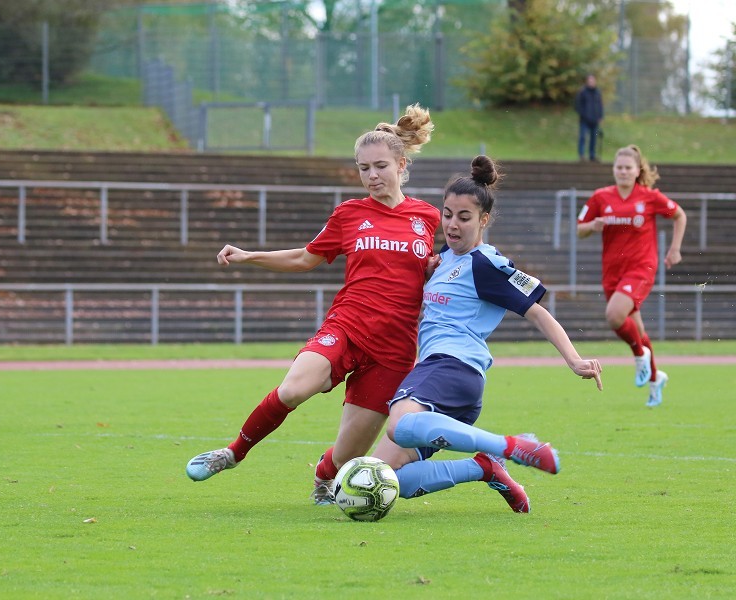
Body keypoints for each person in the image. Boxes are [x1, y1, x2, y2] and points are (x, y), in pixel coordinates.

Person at [185, 104, 442, 504]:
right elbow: (306, 258)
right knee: (293, 389)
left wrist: (433, 269)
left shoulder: (427, 217)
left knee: (346, 457)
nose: (371, 176)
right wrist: (251, 255)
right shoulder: (350, 214)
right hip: (348, 326)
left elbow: (438, 267)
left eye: (380, 166)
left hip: (394, 348)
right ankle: (232, 452)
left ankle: (324, 476)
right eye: (363, 168)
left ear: (401, 164)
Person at [369, 155, 603, 513]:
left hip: (450, 367)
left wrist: (573, 359)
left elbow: (538, 311)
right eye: (447, 214)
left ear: (484, 220)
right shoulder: (446, 258)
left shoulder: (485, 263)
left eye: (464, 217)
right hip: (450, 382)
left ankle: (507, 447)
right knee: (385, 476)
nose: (452, 224)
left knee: (398, 425)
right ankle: (484, 467)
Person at [577, 144, 687, 407]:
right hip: (612, 272)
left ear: (638, 170)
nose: (623, 172)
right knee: (637, 328)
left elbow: (679, 215)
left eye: (628, 167)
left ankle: (639, 356)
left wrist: (674, 249)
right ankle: (655, 378)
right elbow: (580, 229)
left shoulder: (649, 197)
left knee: (614, 316)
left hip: (641, 268)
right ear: (613, 170)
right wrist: (592, 225)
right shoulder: (600, 197)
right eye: (619, 167)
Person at [574, 74, 604, 162]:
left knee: (594, 138)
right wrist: (584, 115)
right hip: (584, 120)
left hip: (595, 121)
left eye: (593, 80)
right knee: (583, 137)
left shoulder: (597, 92)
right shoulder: (582, 92)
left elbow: (600, 105)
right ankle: (582, 155)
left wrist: (600, 116)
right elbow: (578, 105)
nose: (591, 82)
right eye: (589, 80)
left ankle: (592, 155)